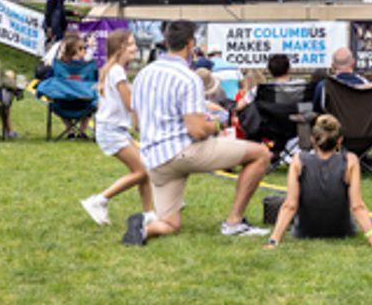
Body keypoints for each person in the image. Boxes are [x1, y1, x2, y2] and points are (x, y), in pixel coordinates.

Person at [124, 20, 271, 245]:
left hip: (155, 159)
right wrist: (217, 124)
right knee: (261, 154)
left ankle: (144, 230)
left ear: (166, 42)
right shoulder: (188, 77)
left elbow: (137, 124)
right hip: (184, 152)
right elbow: (198, 131)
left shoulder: (143, 75)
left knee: (170, 224)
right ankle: (234, 222)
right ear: (190, 43)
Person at [267, 114, 372, 250]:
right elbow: (357, 206)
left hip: (304, 231)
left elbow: (290, 205)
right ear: (340, 141)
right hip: (343, 231)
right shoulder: (350, 161)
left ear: (313, 140)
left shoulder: (298, 160)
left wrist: (274, 240)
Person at [81, 30, 156, 228]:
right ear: (120, 47)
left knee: (144, 168)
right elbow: (130, 103)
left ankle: (149, 214)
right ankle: (99, 200)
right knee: (142, 171)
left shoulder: (113, 70)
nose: (135, 48)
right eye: (131, 44)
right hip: (111, 130)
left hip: (114, 129)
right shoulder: (117, 72)